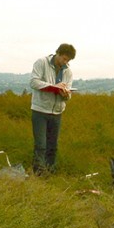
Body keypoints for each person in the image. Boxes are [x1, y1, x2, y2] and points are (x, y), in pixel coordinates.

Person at [30, 43, 76, 175]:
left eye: (68, 60)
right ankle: (38, 174)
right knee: (41, 146)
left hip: (57, 112)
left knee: (53, 147)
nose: (65, 62)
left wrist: (66, 95)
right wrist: (54, 87)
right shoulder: (41, 62)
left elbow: (68, 94)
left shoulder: (68, 71)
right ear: (58, 53)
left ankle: (49, 173)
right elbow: (34, 82)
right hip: (40, 111)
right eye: (64, 59)